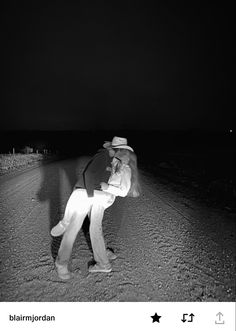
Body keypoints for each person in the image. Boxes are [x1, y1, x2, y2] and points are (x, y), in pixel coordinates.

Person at [52, 137, 140, 280]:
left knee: (95, 227)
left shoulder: (115, 160)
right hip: (89, 194)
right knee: (75, 226)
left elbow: (116, 182)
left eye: (123, 150)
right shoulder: (104, 156)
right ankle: (61, 263)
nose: (122, 153)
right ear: (114, 148)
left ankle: (102, 257)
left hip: (98, 198)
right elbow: (89, 175)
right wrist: (91, 195)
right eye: (120, 149)